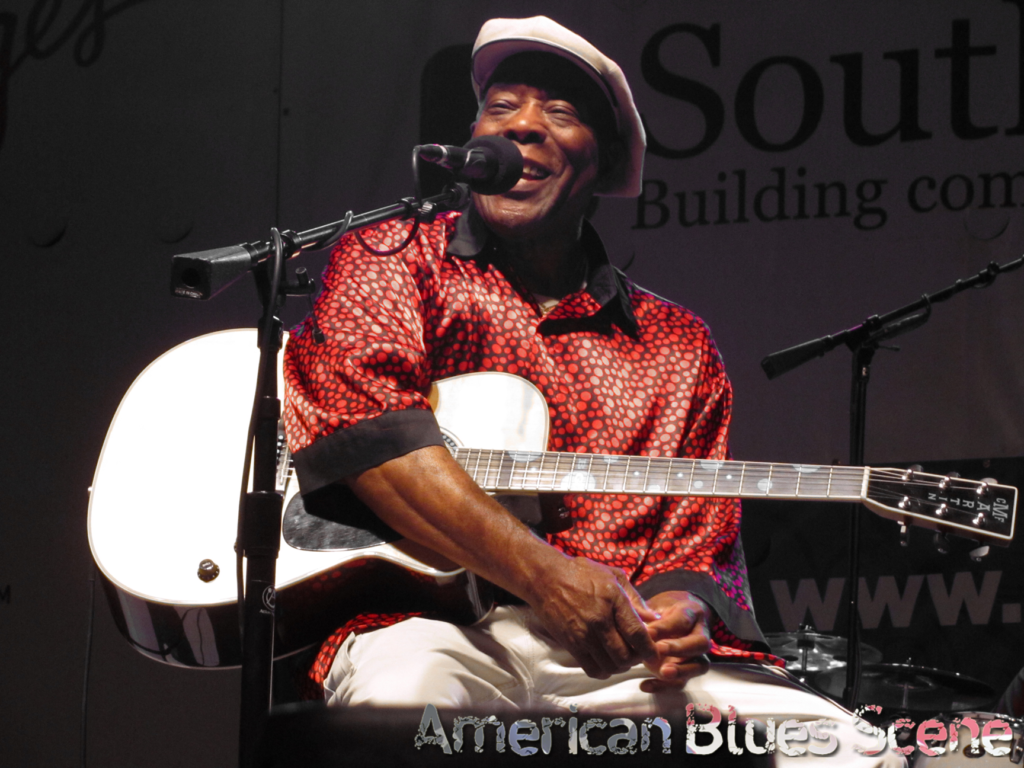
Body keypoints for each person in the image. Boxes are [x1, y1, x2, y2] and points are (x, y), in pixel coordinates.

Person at [283, 16, 903, 766]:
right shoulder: (393, 258)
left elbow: (697, 544)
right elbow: (373, 440)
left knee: (839, 749)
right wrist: (545, 578)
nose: (525, 129)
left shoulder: (679, 346)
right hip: (429, 626)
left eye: (562, 112)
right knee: (400, 713)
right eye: (501, 107)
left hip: (621, 659)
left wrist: (683, 612)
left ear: (604, 161)